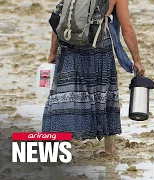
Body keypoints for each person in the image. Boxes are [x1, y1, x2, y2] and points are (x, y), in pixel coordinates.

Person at [43, 0, 145, 157]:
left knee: (64, 93)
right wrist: (136, 60)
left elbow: (62, 19)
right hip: (99, 45)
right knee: (104, 94)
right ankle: (110, 150)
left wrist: (52, 53)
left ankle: (56, 147)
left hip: (69, 44)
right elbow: (127, 29)